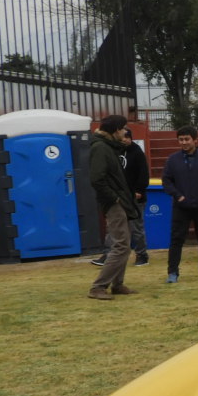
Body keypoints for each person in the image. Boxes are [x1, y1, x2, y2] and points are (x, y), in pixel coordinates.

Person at [86, 114, 138, 301]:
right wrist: (115, 199)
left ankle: (117, 284)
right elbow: (97, 179)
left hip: (119, 202)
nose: (125, 132)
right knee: (121, 245)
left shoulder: (108, 147)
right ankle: (98, 287)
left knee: (123, 244)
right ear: (116, 130)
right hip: (114, 203)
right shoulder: (101, 148)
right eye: (123, 129)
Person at [162, 125, 198, 283]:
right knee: (176, 240)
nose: (183, 142)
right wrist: (178, 196)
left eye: (187, 139)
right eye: (180, 139)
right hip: (181, 207)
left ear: (195, 140)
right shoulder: (172, 160)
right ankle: (172, 273)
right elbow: (166, 181)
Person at [90, 126, 151, 268]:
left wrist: (138, 191)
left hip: (135, 198)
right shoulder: (112, 151)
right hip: (118, 198)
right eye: (122, 137)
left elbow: (144, 176)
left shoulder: (137, 153)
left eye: (126, 137)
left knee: (136, 228)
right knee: (113, 226)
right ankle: (108, 254)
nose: (124, 140)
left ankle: (142, 254)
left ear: (131, 138)